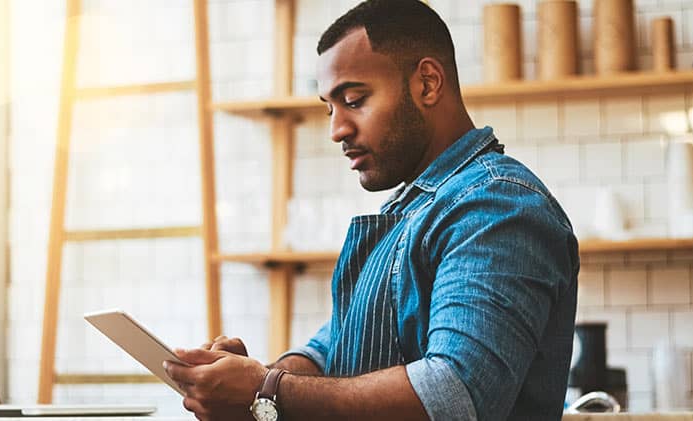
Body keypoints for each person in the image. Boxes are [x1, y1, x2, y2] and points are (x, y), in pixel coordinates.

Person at [163, 1, 579, 420]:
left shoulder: (496, 206)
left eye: (354, 100)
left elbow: (455, 392)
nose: (336, 129)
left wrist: (265, 389)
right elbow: (332, 351)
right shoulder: (412, 208)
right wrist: (250, 378)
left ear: (428, 84)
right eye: (330, 107)